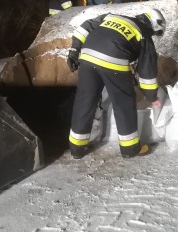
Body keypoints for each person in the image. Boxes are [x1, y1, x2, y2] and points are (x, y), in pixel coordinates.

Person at [66, 9, 165, 159]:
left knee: (85, 101)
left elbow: (86, 26)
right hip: (113, 62)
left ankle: (77, 148)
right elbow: (147, 72)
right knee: (123, 104)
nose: (153, 35)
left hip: (87, 57)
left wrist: (74, 49)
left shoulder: (112, 17)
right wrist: (151, 97)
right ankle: (130, 149)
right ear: (153, 25)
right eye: (155, 32)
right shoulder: (144, 35)